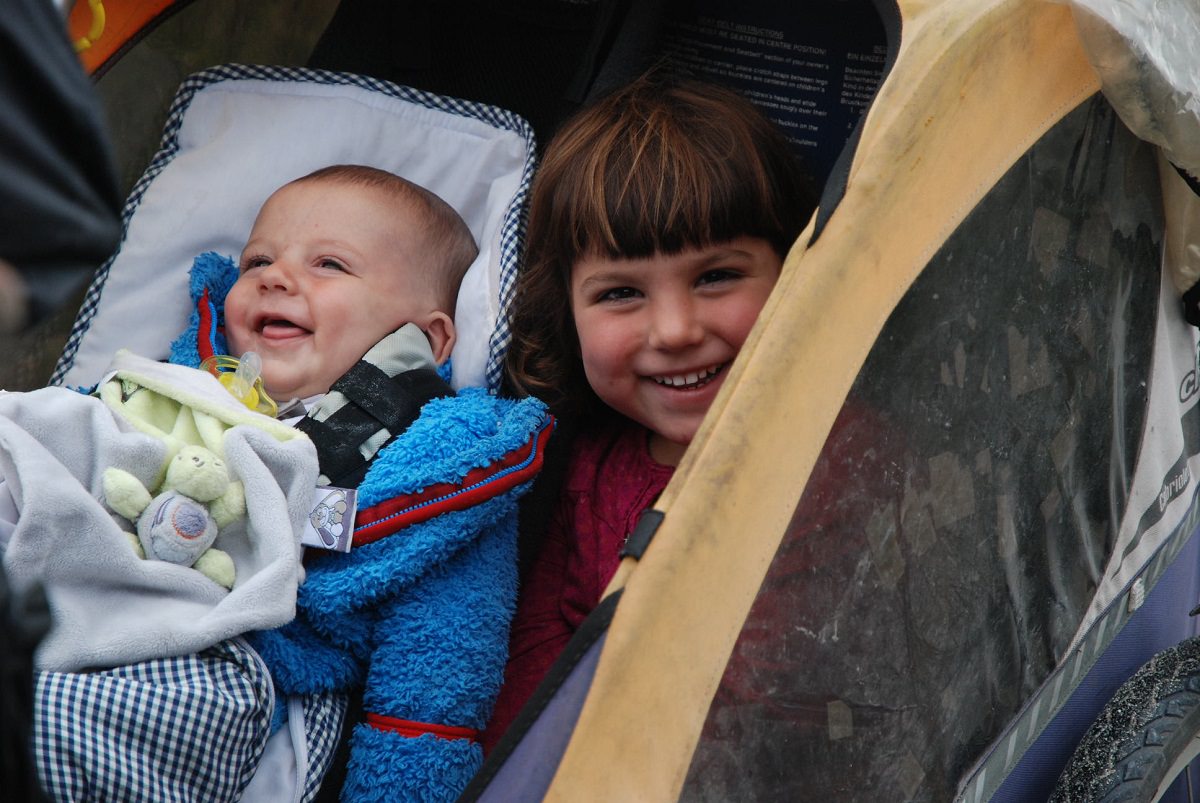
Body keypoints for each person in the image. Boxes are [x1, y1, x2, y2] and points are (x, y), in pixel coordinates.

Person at [18, 165, 552, 803]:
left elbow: (436, 680)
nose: (275, 275)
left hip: (239, 667)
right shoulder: (181, 381)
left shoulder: (439, 473)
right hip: (81, 598)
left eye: (329, 263)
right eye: (258, 260)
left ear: (427, 335)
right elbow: (64, 428)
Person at [481, 72, 819, 750]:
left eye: (716, 276)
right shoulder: (580, 465)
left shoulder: (837, 458)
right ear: (565, 314)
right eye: (620, 294)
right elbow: (536, 664)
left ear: (797, 267)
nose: (674, 330)